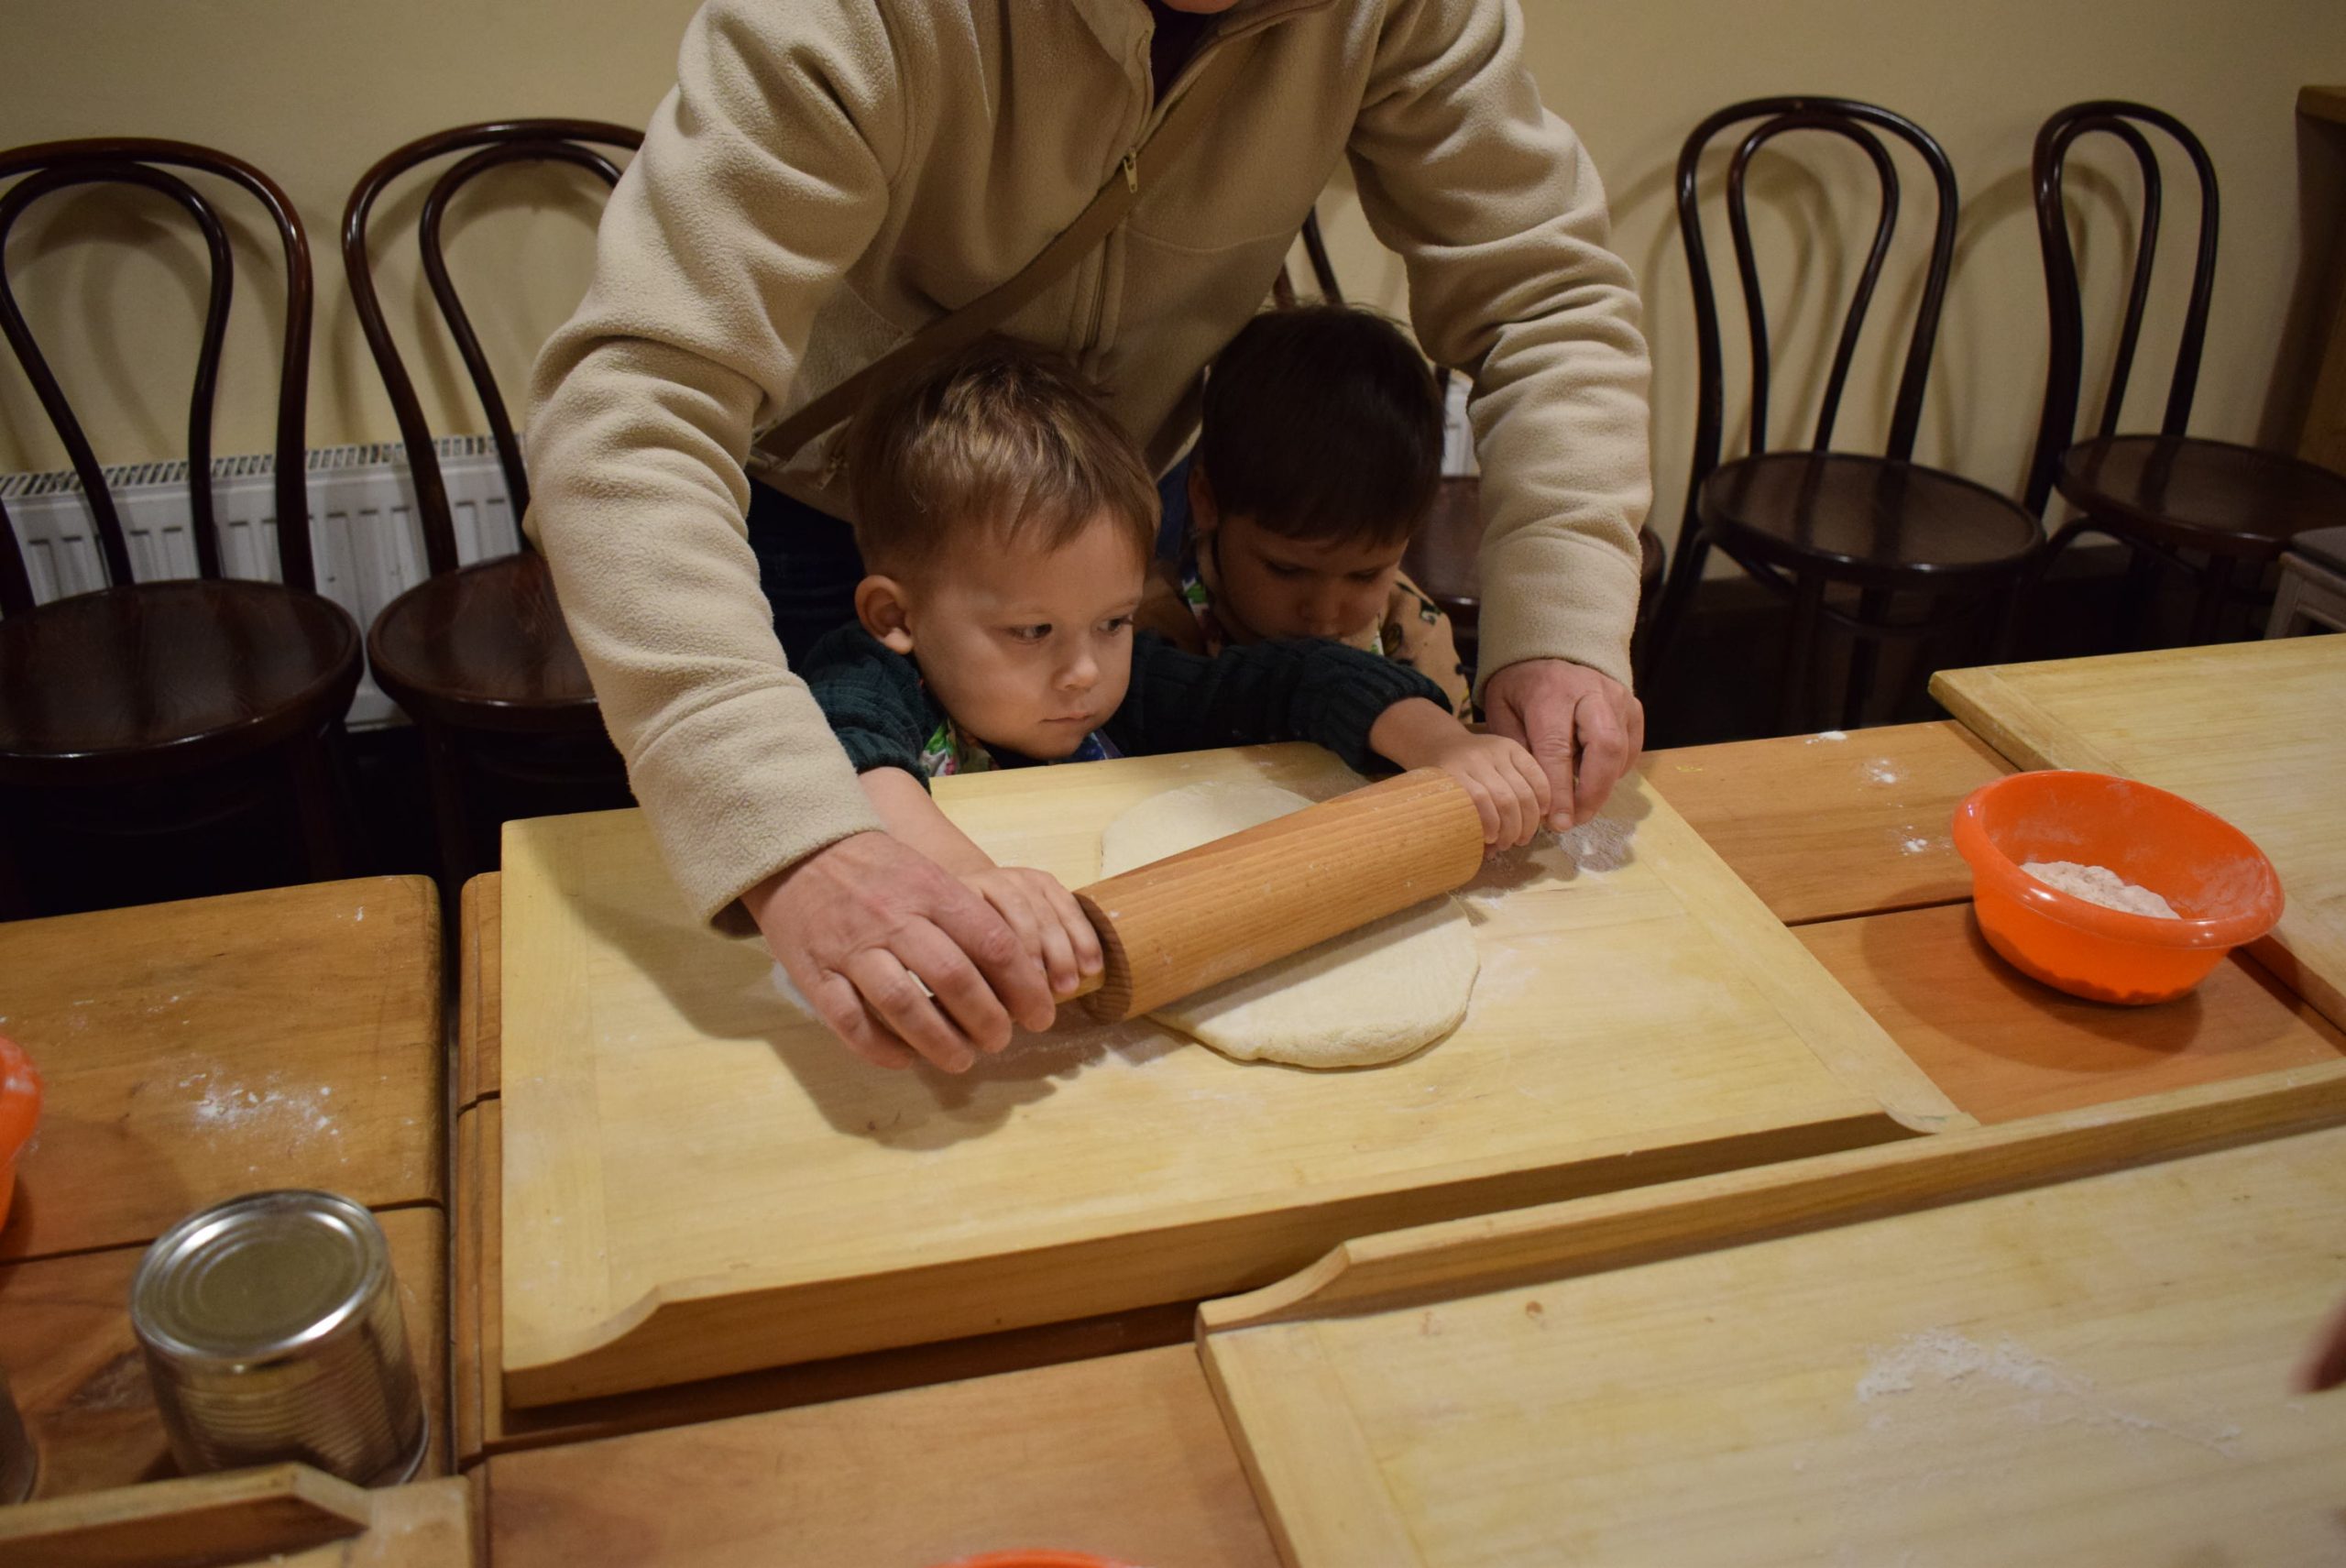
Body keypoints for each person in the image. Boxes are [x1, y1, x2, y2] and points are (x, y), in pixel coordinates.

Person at [524, 0, 1651, 1071]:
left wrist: (1557, 628)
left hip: (1103, 491)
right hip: (818, 505)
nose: (1084, 670)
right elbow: (634, 408)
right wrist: (793, 832)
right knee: (844, 964)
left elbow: (1546, 300)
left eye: (1109, 632)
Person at [797, 339, 1548, 1066]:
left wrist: (1441, 743)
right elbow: (840, 754)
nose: (1084, 673)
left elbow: (1292, 682)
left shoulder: (1134, 694)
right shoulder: (874, 680)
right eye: (1033, 631)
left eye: (1114, 622)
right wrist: (961, 877)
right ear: (896, 616)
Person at [1135, 302, 1472, 711]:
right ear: (1206, 500)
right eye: (1286, 569)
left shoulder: (1415, 628)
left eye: (1365, 575)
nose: (1324, 616)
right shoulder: (1145, 630)